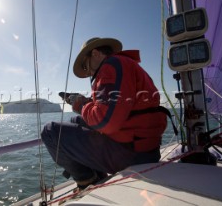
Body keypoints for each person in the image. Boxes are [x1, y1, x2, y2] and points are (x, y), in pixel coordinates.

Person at [41, 37, 168, 190]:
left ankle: (87, 183)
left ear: (95, 54)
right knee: (76, 121)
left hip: (133, 154)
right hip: (143, 147)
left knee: (50, 132)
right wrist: (87, 103)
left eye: (85, 66)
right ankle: (98, 178)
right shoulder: (124, 64)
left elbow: (106, 122)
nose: (88, 73)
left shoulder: (111, 66)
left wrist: (81, 105)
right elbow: (117, 106)